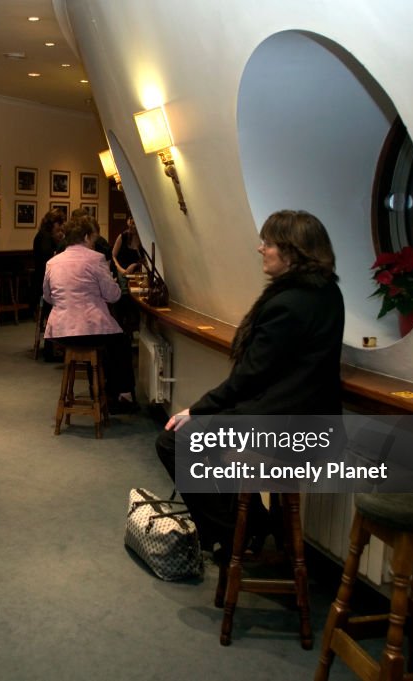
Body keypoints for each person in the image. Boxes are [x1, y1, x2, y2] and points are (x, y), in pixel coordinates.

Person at [156, 209, 344, 561]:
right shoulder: (328, 293)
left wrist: (196, 408)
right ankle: (253, 521)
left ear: (291, 251)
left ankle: (231, 536)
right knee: (213, 443)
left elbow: (250, 376)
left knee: (173, 441)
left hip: (287, 428)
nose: (261, 249)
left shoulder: (288, 304)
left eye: (268, 243)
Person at [43, 216, 138, 413]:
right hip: (90, 327)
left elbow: (48, 297)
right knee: (120, 343)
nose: (94, 243)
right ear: (86, 237)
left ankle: (96, 389)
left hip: (61, 332)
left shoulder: (52, 263)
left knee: (96, 346)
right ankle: (122, 395)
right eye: (93, 239)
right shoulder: (95, 259)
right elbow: (113, 296)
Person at [33, 209, 66, 362]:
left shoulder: (42, 236)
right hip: (44, 286)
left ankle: (54, 347)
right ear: (52, 225)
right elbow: (49, 261)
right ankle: (54, 349)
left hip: (41, 284)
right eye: (58, 228)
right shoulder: (45, 238)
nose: (60, 232)